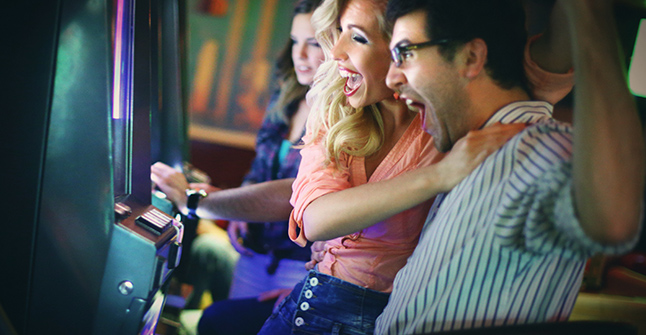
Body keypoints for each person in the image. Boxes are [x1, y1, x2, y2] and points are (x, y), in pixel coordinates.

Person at [257, 0, 574, 333]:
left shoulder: (451, 104)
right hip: (315, 303)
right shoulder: (335, 107)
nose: (335, 51)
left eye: (358, 37)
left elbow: (559, 49)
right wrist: (439, 175)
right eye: (339, 33)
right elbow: (315, 219)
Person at [375, 0, 645, 333]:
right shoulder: (477, 153)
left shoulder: (533, 150)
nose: (391, 78)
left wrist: (587, 11)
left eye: (405, 53)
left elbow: (612, 222)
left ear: (471, 58)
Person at [153, 0, 325, 332]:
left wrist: (202, 201)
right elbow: (260, 170)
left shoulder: (346, 113)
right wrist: (240, 210)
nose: (300, 54)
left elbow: (297, 194)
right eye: (295, 41)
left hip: (301, 264)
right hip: (254, 252)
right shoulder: (286, 96)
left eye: (314, 43)